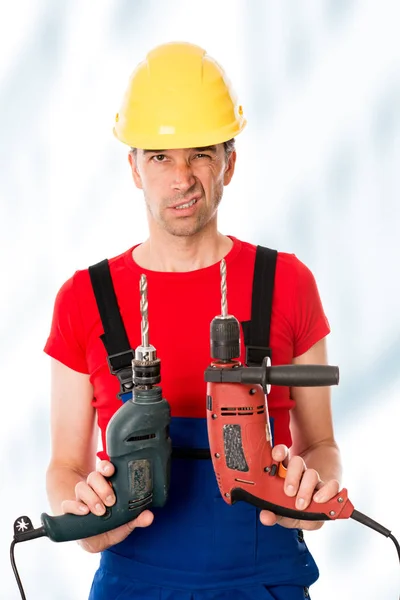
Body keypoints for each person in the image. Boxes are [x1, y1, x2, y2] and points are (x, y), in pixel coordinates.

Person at [44, 42, 342, 600]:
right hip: (133, 584)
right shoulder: (84, 299)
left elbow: (321, 442)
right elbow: (64, 464)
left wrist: (315, 485)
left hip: (264, 582)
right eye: (160, 156)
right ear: (133, 167)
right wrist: (78, 510)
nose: (181, 178)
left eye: (200, 153)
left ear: (230, 160)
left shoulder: (287, 283)